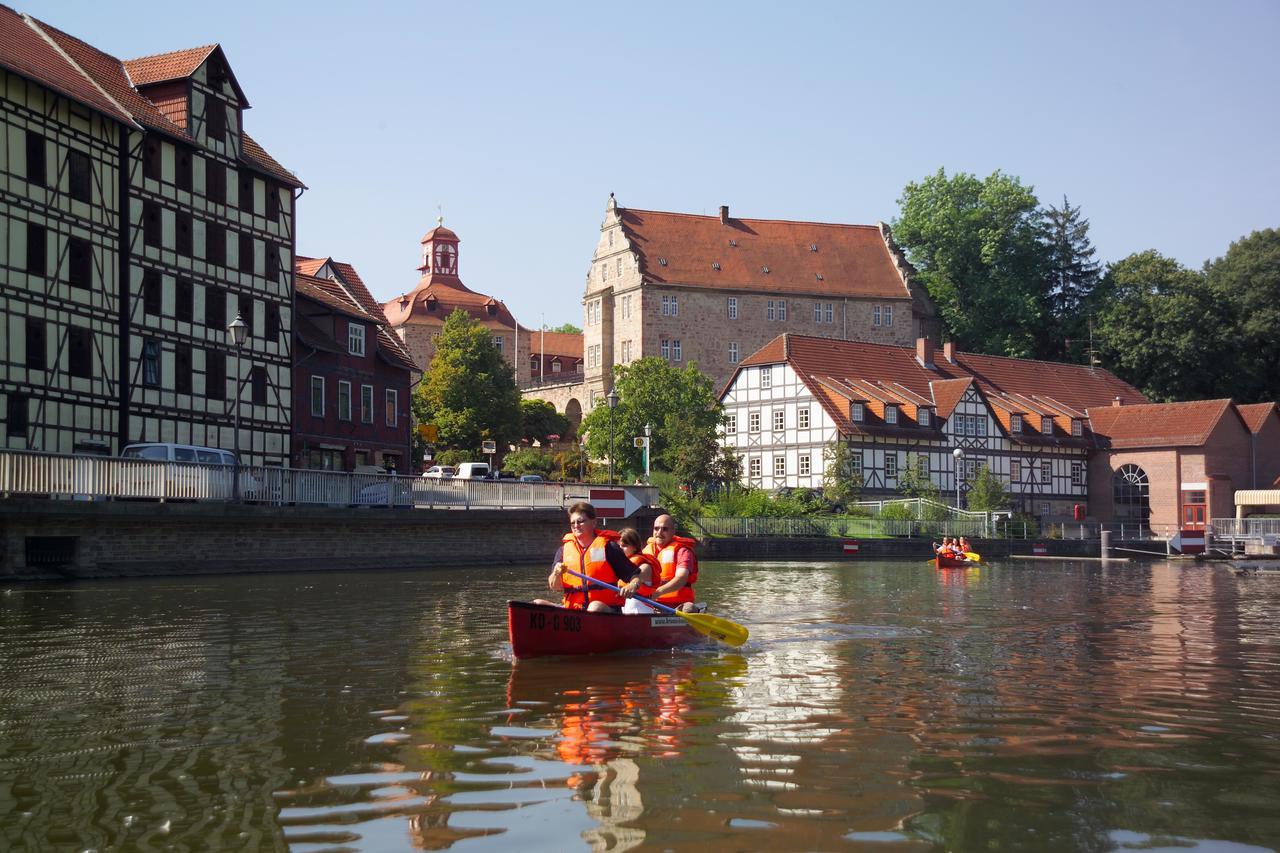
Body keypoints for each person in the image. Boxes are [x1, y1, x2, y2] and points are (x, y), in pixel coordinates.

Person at [534, 502, 641, 612]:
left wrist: (633, 585)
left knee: (594, 607)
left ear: (593, 523)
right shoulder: (563, 551)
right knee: (537, 604)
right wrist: (556, 573)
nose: (576, 526)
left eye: (580, 521)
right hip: (573, 612)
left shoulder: (609, 548)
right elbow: (555, 586)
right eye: (573, 523)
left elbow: (635, 576)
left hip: (605, 609)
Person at [643, 514, 699, 612]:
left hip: (677, 605)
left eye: (665, 529)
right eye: (656, 529)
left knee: (689, 608)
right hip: (650, 603)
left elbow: (681, 579)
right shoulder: (646, 551)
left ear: (673, 531)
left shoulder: (683, 551)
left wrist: (658, 592)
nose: (659, 532)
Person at [618, 527, 659, 614]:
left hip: (640, 609)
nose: (620, 548)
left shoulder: (644, 566)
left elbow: (639, 576)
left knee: (632, 602)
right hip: (623, 609)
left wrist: (633, 585)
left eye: (624, 546)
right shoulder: (619, 566)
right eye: (618, 546)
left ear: (635, 547)